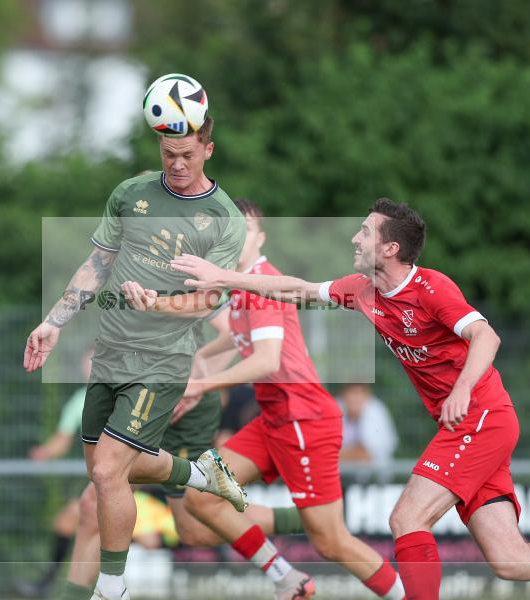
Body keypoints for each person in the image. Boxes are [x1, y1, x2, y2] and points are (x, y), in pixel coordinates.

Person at [167, 197, 530, 599]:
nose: (354, 238)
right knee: (511, 561)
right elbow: (295, 288)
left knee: (406, 518)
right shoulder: (362, 289)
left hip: (481, 417)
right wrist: (224, 277)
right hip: (472, 425)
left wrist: (461, 390)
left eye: (364, 231)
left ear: (390, 248)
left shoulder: (430, 288)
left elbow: (486, 337)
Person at [122, 198, 405, 599]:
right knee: (202, 500)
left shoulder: (260, 285)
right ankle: (287, 579)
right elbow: (232, 335)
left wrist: (201, 386)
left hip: (303, 420)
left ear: (260, 238)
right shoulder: (241, 288)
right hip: (274, 421)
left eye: (245, 230)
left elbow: (267, 361)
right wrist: (196, 358)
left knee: (330, 542)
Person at [23, 107, 250, 600]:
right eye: (168, 154)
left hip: (162, 361)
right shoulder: (130, 193)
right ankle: (200, 473)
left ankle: (112, 589)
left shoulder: (224, 219)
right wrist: (53, 321)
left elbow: (208, 300)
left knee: (108, 472)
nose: (177, 164)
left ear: (208, 150)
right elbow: (97, 263)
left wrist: (158, 304)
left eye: (187, 154)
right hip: (111, 354)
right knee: (104, 470)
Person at [54, 310, 306, 600]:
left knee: (194, 528)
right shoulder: (121, 287)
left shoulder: (187, 283)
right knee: (94, 501)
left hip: (181, 407)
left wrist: (197, 381)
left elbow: (234, 330)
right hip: (137, 400)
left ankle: (308, 522)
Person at [16, 349, 95, 598]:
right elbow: (62, 439)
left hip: (131, 477)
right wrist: (44, 452)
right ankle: (54, 584)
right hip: (99, 477)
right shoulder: (81, 399)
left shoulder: (126, 394)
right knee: (69, 521)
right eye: (87, 363)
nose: (89, 368)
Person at [338, 383, 398, 475]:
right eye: (350, 393)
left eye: (358, 393)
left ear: (367, 395)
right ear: (343, 394)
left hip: (374, 477)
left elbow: (367, 455)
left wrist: (339, 454)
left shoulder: (376, 411)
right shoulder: (336, 407)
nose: (353, 398)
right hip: (341, 475)